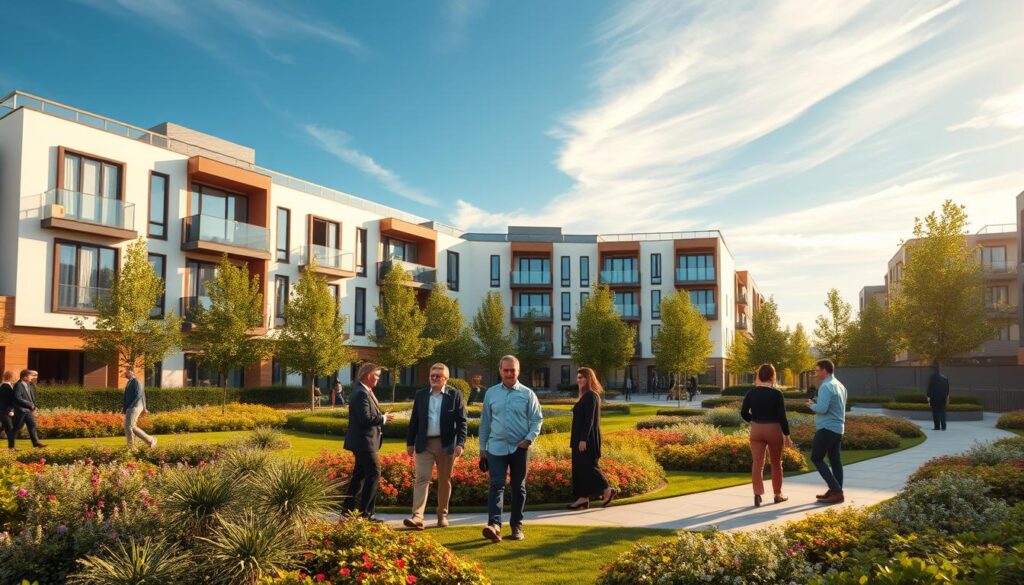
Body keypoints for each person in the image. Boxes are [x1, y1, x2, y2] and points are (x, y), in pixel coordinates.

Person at [479, 355, 543, 543]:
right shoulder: (491, 393)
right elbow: (485, 422)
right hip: (495, 447)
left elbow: (537, 419)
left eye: (512, 370)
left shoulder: (527, 394)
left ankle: (516, 526)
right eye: (506, 370)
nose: (509, 373)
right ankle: (494, 525)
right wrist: (482, 448)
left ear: (518, 371)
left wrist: (528, 440)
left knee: (518, 487)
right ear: (500, 370)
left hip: (519, 448)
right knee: (496, 485)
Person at [403, 363, 468, 530]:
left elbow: (462, 422)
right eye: (432, 375)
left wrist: (460, 443)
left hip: (446, 444)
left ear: (446, 378)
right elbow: (414, 420)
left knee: (444, 480)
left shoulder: (454, 395)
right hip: (424, 444)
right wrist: (410, 442)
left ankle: (442, 515)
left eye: (438, 376)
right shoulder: (421, 395)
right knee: (422, 478)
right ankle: (417, 516)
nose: (434, 378)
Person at [342, 362, 395, 520]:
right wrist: (383, 418)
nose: (378, 378)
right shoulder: (361, 393)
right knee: (374, 472)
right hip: (363, 442)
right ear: (367, 375)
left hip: (362, 441)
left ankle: (348, 509)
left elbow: (367, 415)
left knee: (359, 475)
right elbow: (365, 419)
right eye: (376, 375)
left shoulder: (363, 391)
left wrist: (382, 416)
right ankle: (366, 514)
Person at [740, 364, 792, 507]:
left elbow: (743, 413)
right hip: (773, 429)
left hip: (756, 429)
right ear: (772, 376)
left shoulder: (751, 393)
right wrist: (787, 435)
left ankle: (757, 494)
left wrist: (754, 421)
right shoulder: (776, 394)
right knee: (776, 463)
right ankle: (777, 494)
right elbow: (782, 417)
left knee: (757, 463)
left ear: (759, 375)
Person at [567, 367, 617, 510]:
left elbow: (589, 420)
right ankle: (583, 499)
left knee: (589, 467)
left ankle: (607, 489)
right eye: (578, 377)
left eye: (581, 377)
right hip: (578, 439)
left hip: (586, 440)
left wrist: (583, 439)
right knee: (580, 469)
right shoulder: (584, 396)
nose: (579, 380)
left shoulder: (591, 396)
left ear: (589, 378)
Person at [807, 359, 847, 504]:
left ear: (824, 370)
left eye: (817, 370)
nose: (816, 373)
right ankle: (836, 490)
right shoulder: (840, 385)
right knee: (835, 461)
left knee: (816, 458)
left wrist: (811, 405)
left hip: (826, 428)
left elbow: (822, 409)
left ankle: (836, 490)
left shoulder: (826, 386)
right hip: (838, 428)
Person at [122, 367, 157, 449]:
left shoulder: (136, 382)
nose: (125, 373)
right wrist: (124, 408)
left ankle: (131, 447)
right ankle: (150, 440)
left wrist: (132, 406)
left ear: (132, 372)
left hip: (135, 406)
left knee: (129, 427)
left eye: (126, 371)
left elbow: (139, 395)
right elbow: (127, 397)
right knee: (131, 427)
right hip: (131, 407)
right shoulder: (129, 382)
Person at [11, 369, 44, 448]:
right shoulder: (18, 385)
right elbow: (17, 397)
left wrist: (33, 407)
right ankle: (11, 446)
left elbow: (31, 398)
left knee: (32, 425)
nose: (33, 377)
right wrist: (28, 404)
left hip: (28, 410)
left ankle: (36, 443)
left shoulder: (29, 385)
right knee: (16, 428)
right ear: (24, 377)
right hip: (21, 410)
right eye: (31, 376)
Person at [926, 363, 949, 431]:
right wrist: (947, 397)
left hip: (934, 397)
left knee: (935, 412)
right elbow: (947, 389)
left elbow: (930, 388)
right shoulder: (945, 378)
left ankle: (937, 426)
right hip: (943, 397)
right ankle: (943, 426)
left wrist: (928, 397)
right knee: (942, 411)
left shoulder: (932, 377)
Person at [0, 371, 16, 449]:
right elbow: (5, 401)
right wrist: (11, 410)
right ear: (10, 377)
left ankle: (11, 447)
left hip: (4, 411)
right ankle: (11, 447)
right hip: (5, 411)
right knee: (10, 428)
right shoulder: (5, 387)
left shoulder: (6, 386)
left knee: (5, 428)